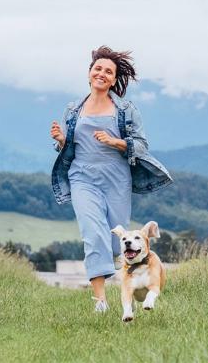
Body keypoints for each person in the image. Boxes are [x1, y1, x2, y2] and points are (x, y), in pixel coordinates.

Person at [50, 46, 173, 312]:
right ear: (89, 73)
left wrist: (116, 142)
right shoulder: (73, 109)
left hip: (117, 179)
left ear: (114, 79)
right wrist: (61, 141)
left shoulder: (126, 109)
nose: (102, 74)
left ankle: (139, 285)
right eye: (98, 69)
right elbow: (68, 148)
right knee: (93, 234)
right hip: (82, 177)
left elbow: (141, 145)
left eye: (108, 71)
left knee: (116, 237)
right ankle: (100, 301)